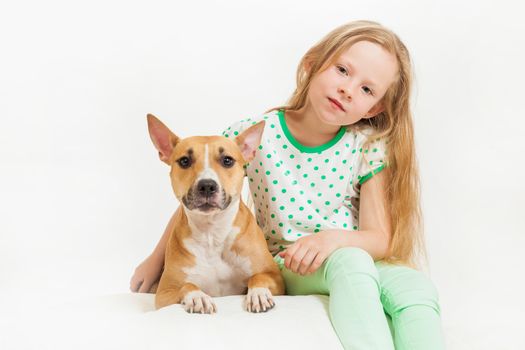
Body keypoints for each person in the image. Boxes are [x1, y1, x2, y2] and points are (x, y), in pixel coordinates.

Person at [130, 20, 445, 350]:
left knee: (415, 287)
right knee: (350, 262)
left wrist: (331, 240)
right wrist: (157, 259)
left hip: (353, 256)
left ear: (376, 107)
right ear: (312, 64)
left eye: (367, 90)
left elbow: (379, 239)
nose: (348, 89)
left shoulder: (366, 147)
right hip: (292, 262)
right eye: (342, 70)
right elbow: (202, 197)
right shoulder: (254, 134)